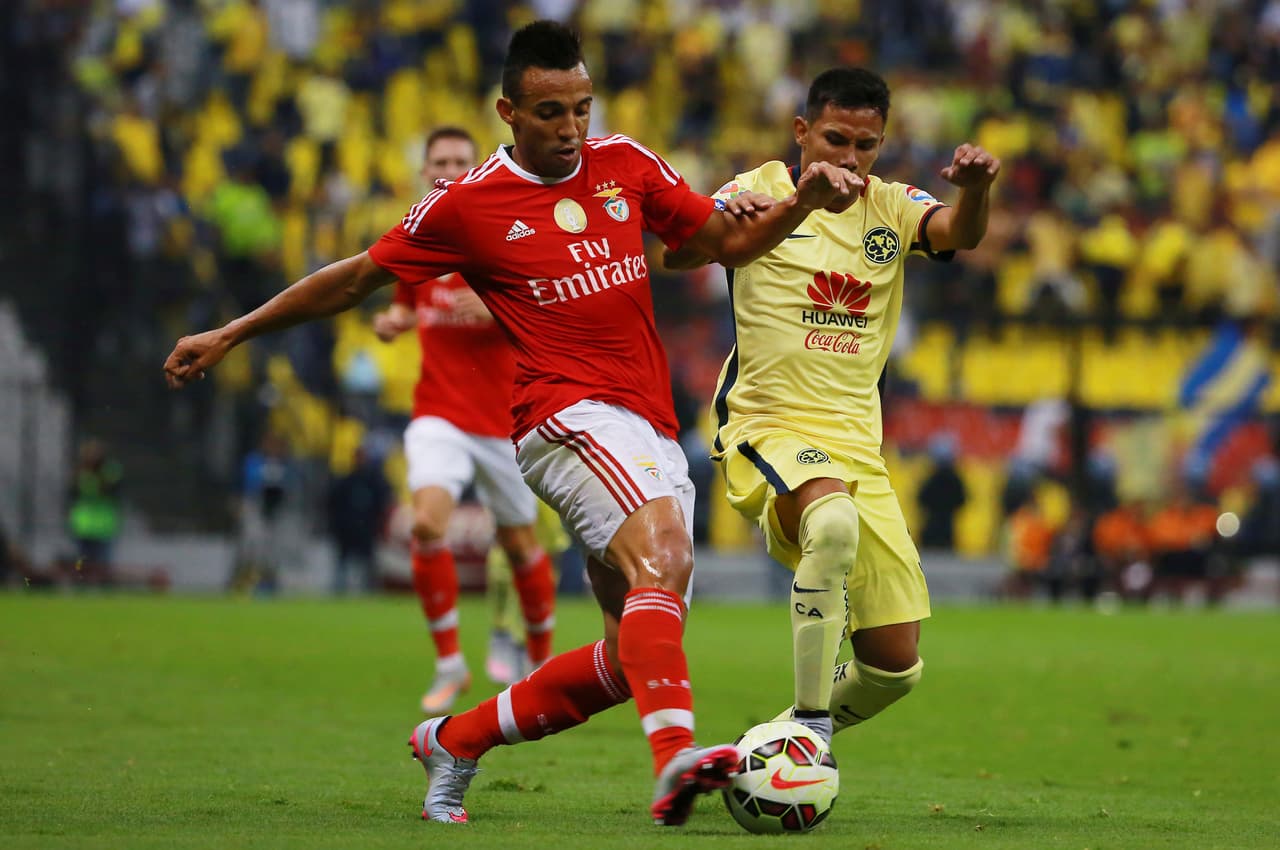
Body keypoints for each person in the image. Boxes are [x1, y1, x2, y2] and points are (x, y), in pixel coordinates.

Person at [163, 21, 860, 827]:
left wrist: (801, 201)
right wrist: (231, 332)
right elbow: (353, 280)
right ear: (509, 111)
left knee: (630, 656)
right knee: (661, 561)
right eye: (550, 112)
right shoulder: (467, 207)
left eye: (581, 109)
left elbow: (722, 242)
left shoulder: (626, 165)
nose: (570, 130)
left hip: (647, 426)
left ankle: (453, 740)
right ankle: (675, 761)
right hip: (561, 418)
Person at [666, 67, 1000, 745]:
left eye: (866, 144)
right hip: (766, 425)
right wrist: (801, 206)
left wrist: (977, 192)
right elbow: (680, 252)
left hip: (856, 445)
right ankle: (812, 736)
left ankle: (766, 748)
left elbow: (958, 234)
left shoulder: (891, 205)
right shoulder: (754, 190)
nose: (850, 158)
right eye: (836, 138)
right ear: (802, 132)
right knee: (834, 522)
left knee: (893, 668)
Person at [371, 125, 561, 712]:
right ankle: (450, 664)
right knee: (428, 526)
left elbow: (549, 303)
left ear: (473, 166)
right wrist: (396, 321)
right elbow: (407, 302)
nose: (447, 169)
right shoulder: (417, 240)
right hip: (439, 414)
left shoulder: (501, 233)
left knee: (523, 545)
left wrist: (496, 304)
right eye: (438, 161)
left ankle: (542, 664)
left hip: (505, 420)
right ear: (424, 171)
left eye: (458, 159)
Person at [327, 444, 392, 593]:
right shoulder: (346, 481)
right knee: (342, 561)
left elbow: (384, 502)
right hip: (347, 529)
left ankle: (368, 591)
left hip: (367, 529)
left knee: (367, 563)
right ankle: (339, 591)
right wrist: (336, 524)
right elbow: (332, 504)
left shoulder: (374, 481)